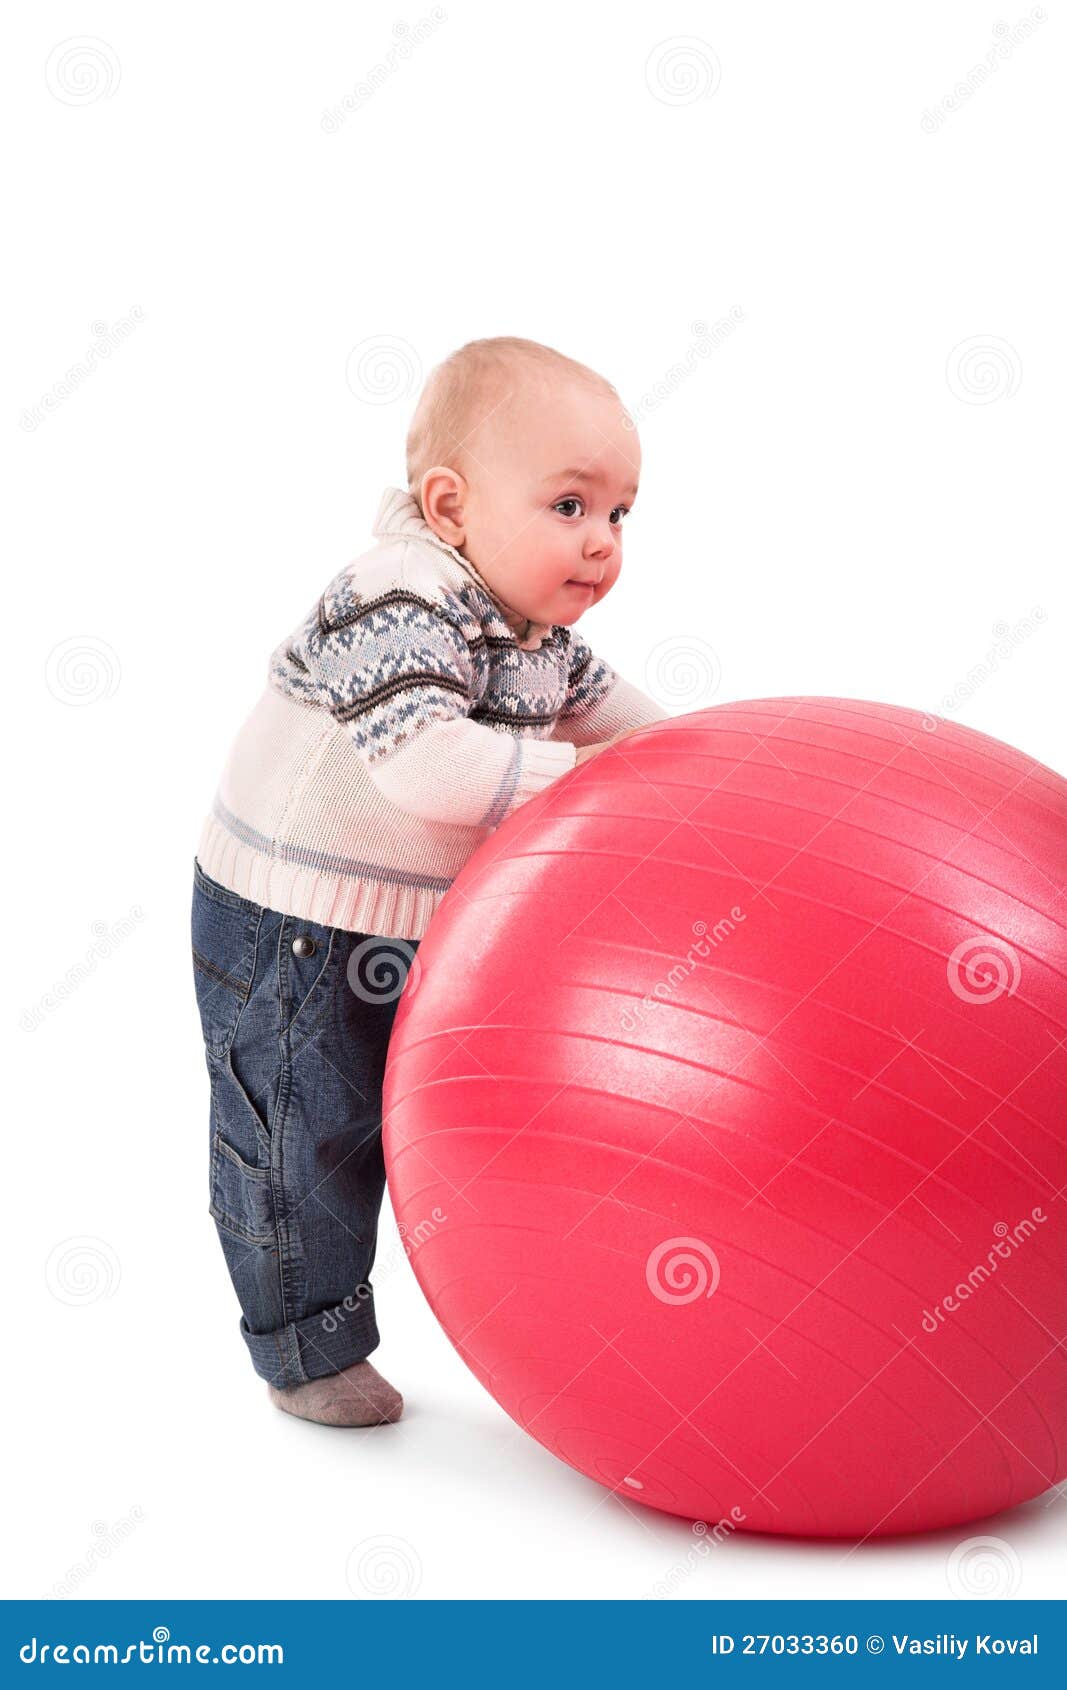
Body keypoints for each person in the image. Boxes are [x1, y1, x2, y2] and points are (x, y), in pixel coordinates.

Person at [190, 335, 669, 1425]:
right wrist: (590, 777)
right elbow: (426, 765)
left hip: (417, 923)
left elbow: (629, 724)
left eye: (619, 515)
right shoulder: (393, 595)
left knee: (420, 1117)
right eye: (567, 505)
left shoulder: (536, 629)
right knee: (300, 1133)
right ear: (449, 507)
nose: (599, 543)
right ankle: (303, 1344)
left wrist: (711, 761)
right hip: (291, 919)